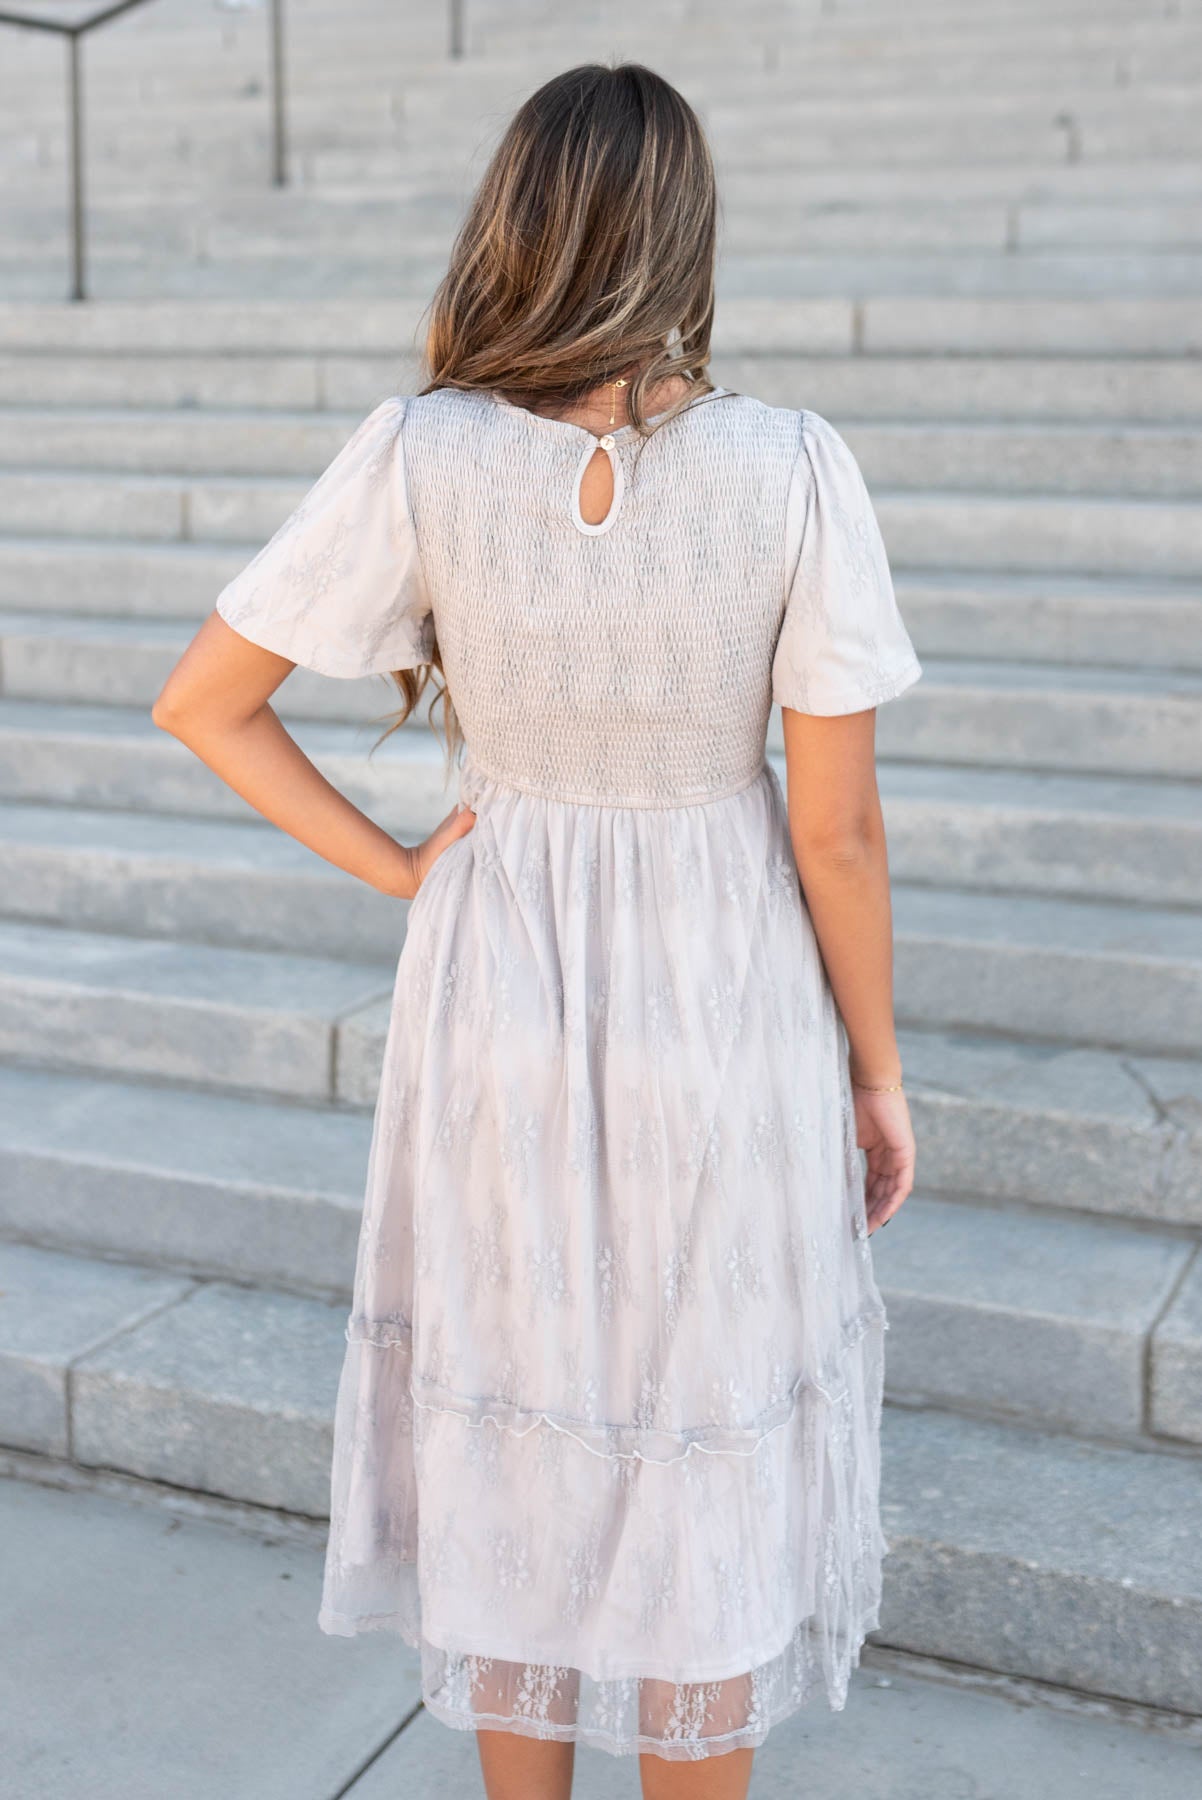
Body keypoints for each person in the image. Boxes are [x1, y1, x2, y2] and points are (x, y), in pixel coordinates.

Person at [153, 59, 919, 1800]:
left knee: (524, 1424)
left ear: (515, 222)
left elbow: (205, 703)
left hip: (495, 977)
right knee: (693, 1438)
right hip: (723, 995)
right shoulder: (793, 469)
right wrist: (878, 1075)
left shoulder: (419, 451)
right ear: (683, 231)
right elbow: (837, 829)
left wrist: (409, 868)